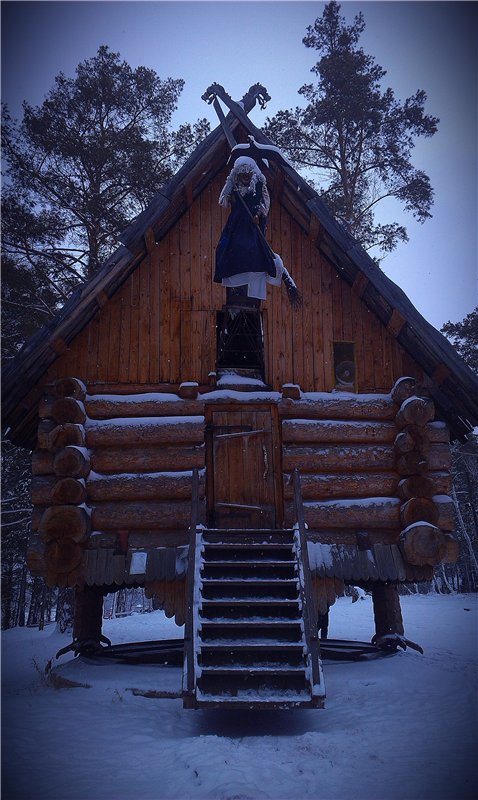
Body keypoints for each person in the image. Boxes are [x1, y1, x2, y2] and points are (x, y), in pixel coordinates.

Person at [214, 156, 284, 301]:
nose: (245, 177)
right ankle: (235, 284)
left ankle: (254, 283)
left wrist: (258, 214)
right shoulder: (233, 183)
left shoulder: (259, 184)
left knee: (254, 250)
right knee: (225, 248)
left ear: (252, 173)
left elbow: (266, 203)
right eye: (243, 174)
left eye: (248, 174)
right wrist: (229, 191)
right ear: (238, 174)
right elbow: (223, 201)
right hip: (236, 223)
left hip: (253, 223)